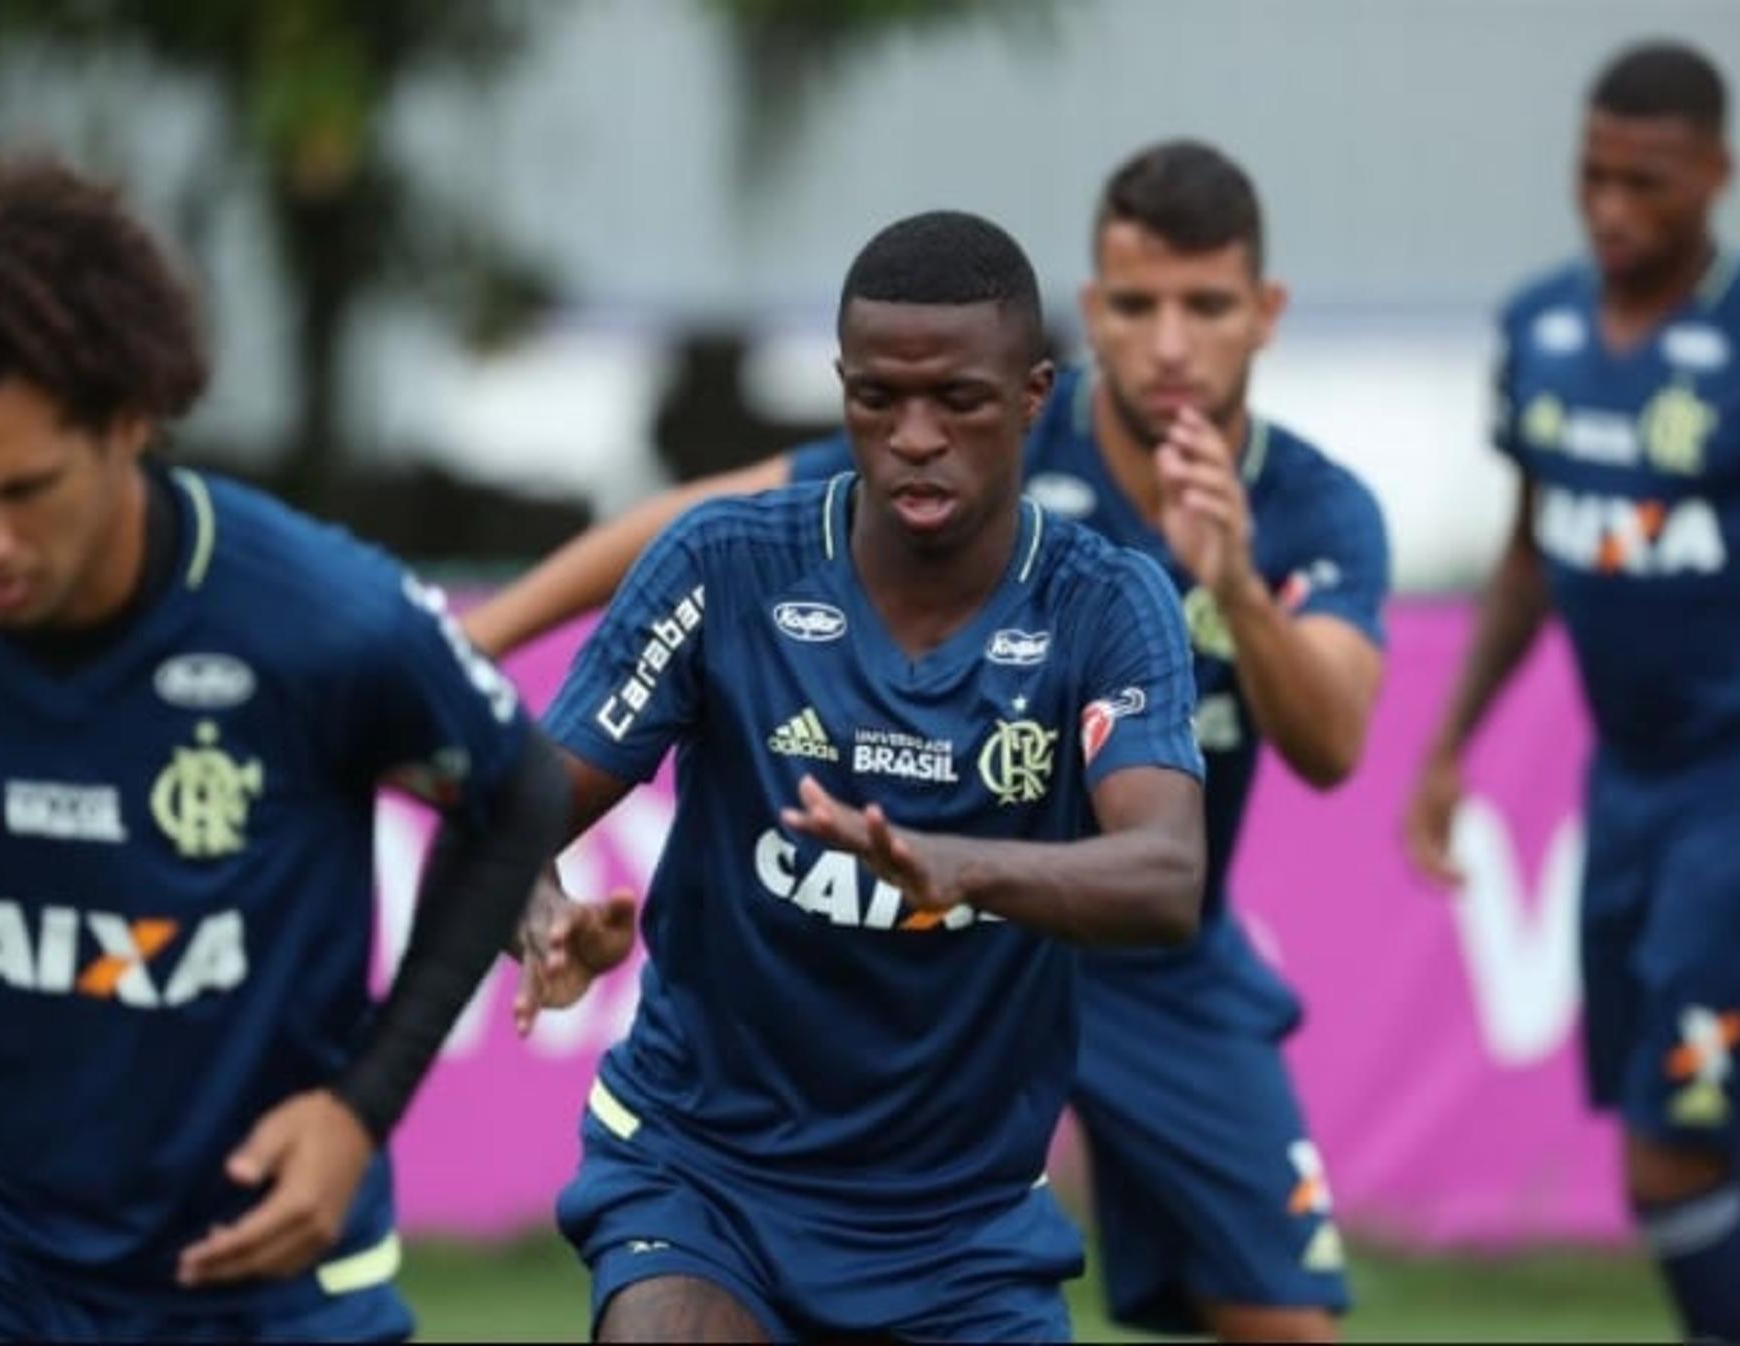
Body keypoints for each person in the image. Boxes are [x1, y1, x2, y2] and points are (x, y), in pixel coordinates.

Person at [466, 142, 1389, 1342]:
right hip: (715, 1156)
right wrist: (529, 894)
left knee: (1284, 1318)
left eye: (955, 399)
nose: (912, 434)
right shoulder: (744, 555)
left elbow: (1242, 813)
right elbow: (520, 801)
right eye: (875, 399)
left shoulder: (1169, 570)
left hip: (1077, 1028)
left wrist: (962, 862)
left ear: (1027, 392)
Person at [0, 150, 571, 1341]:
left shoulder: (321, 616)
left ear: (129, 422)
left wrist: (358, 1109)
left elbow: (517, 786)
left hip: (259, 1250)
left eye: (22, 488)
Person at [1404, 40, 1740, 1345]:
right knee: (1672, 1147)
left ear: (1718, 174)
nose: (1614, 207)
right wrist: (1450, 744)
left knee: (1673, 1154)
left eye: (1649, 181)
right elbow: (1532, 551)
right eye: (1594, 176)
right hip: (1625, 789)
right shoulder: (1539, 329)